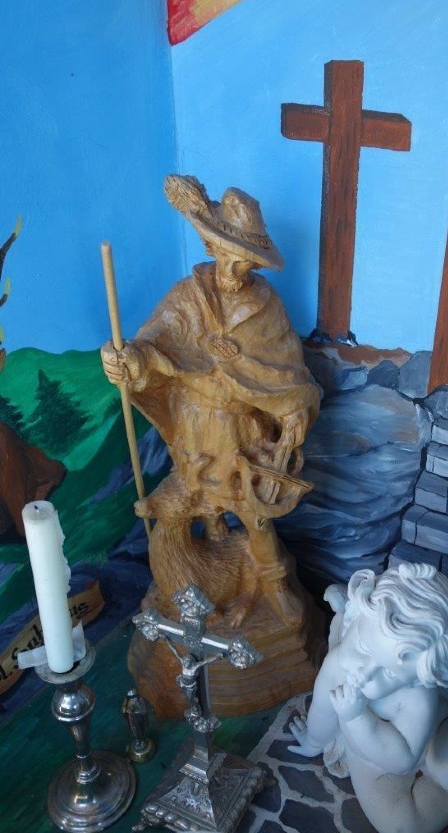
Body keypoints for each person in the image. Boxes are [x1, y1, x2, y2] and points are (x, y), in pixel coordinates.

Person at [101, 175, 322, 625]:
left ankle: (274, 585)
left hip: (244, 428)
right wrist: (124, 360)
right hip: (195, 423)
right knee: (197, 497)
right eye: (229, 257)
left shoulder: (266, 306)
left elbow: (290, 372)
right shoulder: (187, 298)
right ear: (210, 247)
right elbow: (150, 345)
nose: (236, 271)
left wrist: (295, 409)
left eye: (247, 263)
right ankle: (196, 588)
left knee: (254, 512)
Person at [289, 563, 448, 833]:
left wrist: (356, 717)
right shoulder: (339, 665)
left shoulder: (418, 696)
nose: (364, 672)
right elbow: (323, 710)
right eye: (363, 646)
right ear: (357, 620)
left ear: (419, 678)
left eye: (389, 673)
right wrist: (314, 740)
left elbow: (403, 759)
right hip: (372, 761)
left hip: (434, 736)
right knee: (401, 828)